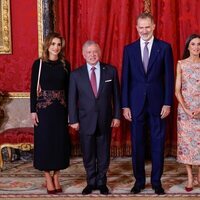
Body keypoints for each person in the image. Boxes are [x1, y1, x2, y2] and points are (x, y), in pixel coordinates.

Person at [121, 13, 174, 195]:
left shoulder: (165, 48)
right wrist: (125, 105)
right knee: (137, 143)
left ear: (153, 27)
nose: (144, 30)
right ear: (137, 28)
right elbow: (125, 79)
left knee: (158, 143)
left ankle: (157, 182)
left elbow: (169, 78)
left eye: (147, 27)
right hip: (135, 104)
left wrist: (167, 103)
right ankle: (139, 181)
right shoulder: (129, 49)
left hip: (158, 104)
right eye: (141, 27)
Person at [68, 40, 120, 195]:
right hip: (85, 121)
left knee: (104, 153)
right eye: (89, 52)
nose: (92, 55)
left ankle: (102, 182)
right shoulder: (76, 74)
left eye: (95, 51)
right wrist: (73, 120)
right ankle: (91, 182)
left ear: (100, 52)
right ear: (84, 55)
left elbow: (116, 96)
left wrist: (117, 116)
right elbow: (72, 99)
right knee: (88, 153)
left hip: (105, 119)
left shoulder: (110, 71)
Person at [30, 32, 71, 194]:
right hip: (44, 111)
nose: (56, 47)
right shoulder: (38, 64)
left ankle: (57, 177)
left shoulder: (65, 65)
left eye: (59, 44)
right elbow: (33, 89)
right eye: (53, 44)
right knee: (45, 143)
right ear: (47, 45)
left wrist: (70, 113)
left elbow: (68, 90)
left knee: (60, 144)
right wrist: (33, 111)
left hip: (60, 110)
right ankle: (48, 177)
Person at [175, 34, 200, 192]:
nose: (197, 47)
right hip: (185, 111)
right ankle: (190, 177)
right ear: (188, 47)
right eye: (193, 44)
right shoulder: (181, 64)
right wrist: (185, 109)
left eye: (199, 44)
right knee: (187, 145)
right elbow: (177, 91)